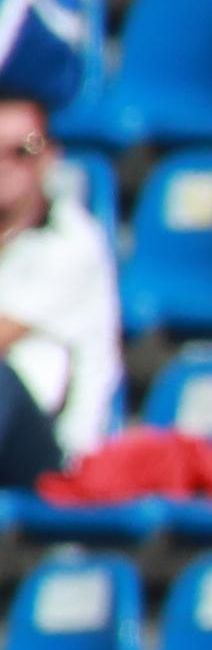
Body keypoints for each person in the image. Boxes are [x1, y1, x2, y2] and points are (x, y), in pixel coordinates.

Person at [0, 75, 115, 487]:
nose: (5, 164)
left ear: (49, 156)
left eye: (22, 150)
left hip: (53, 449)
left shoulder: (72, 241)